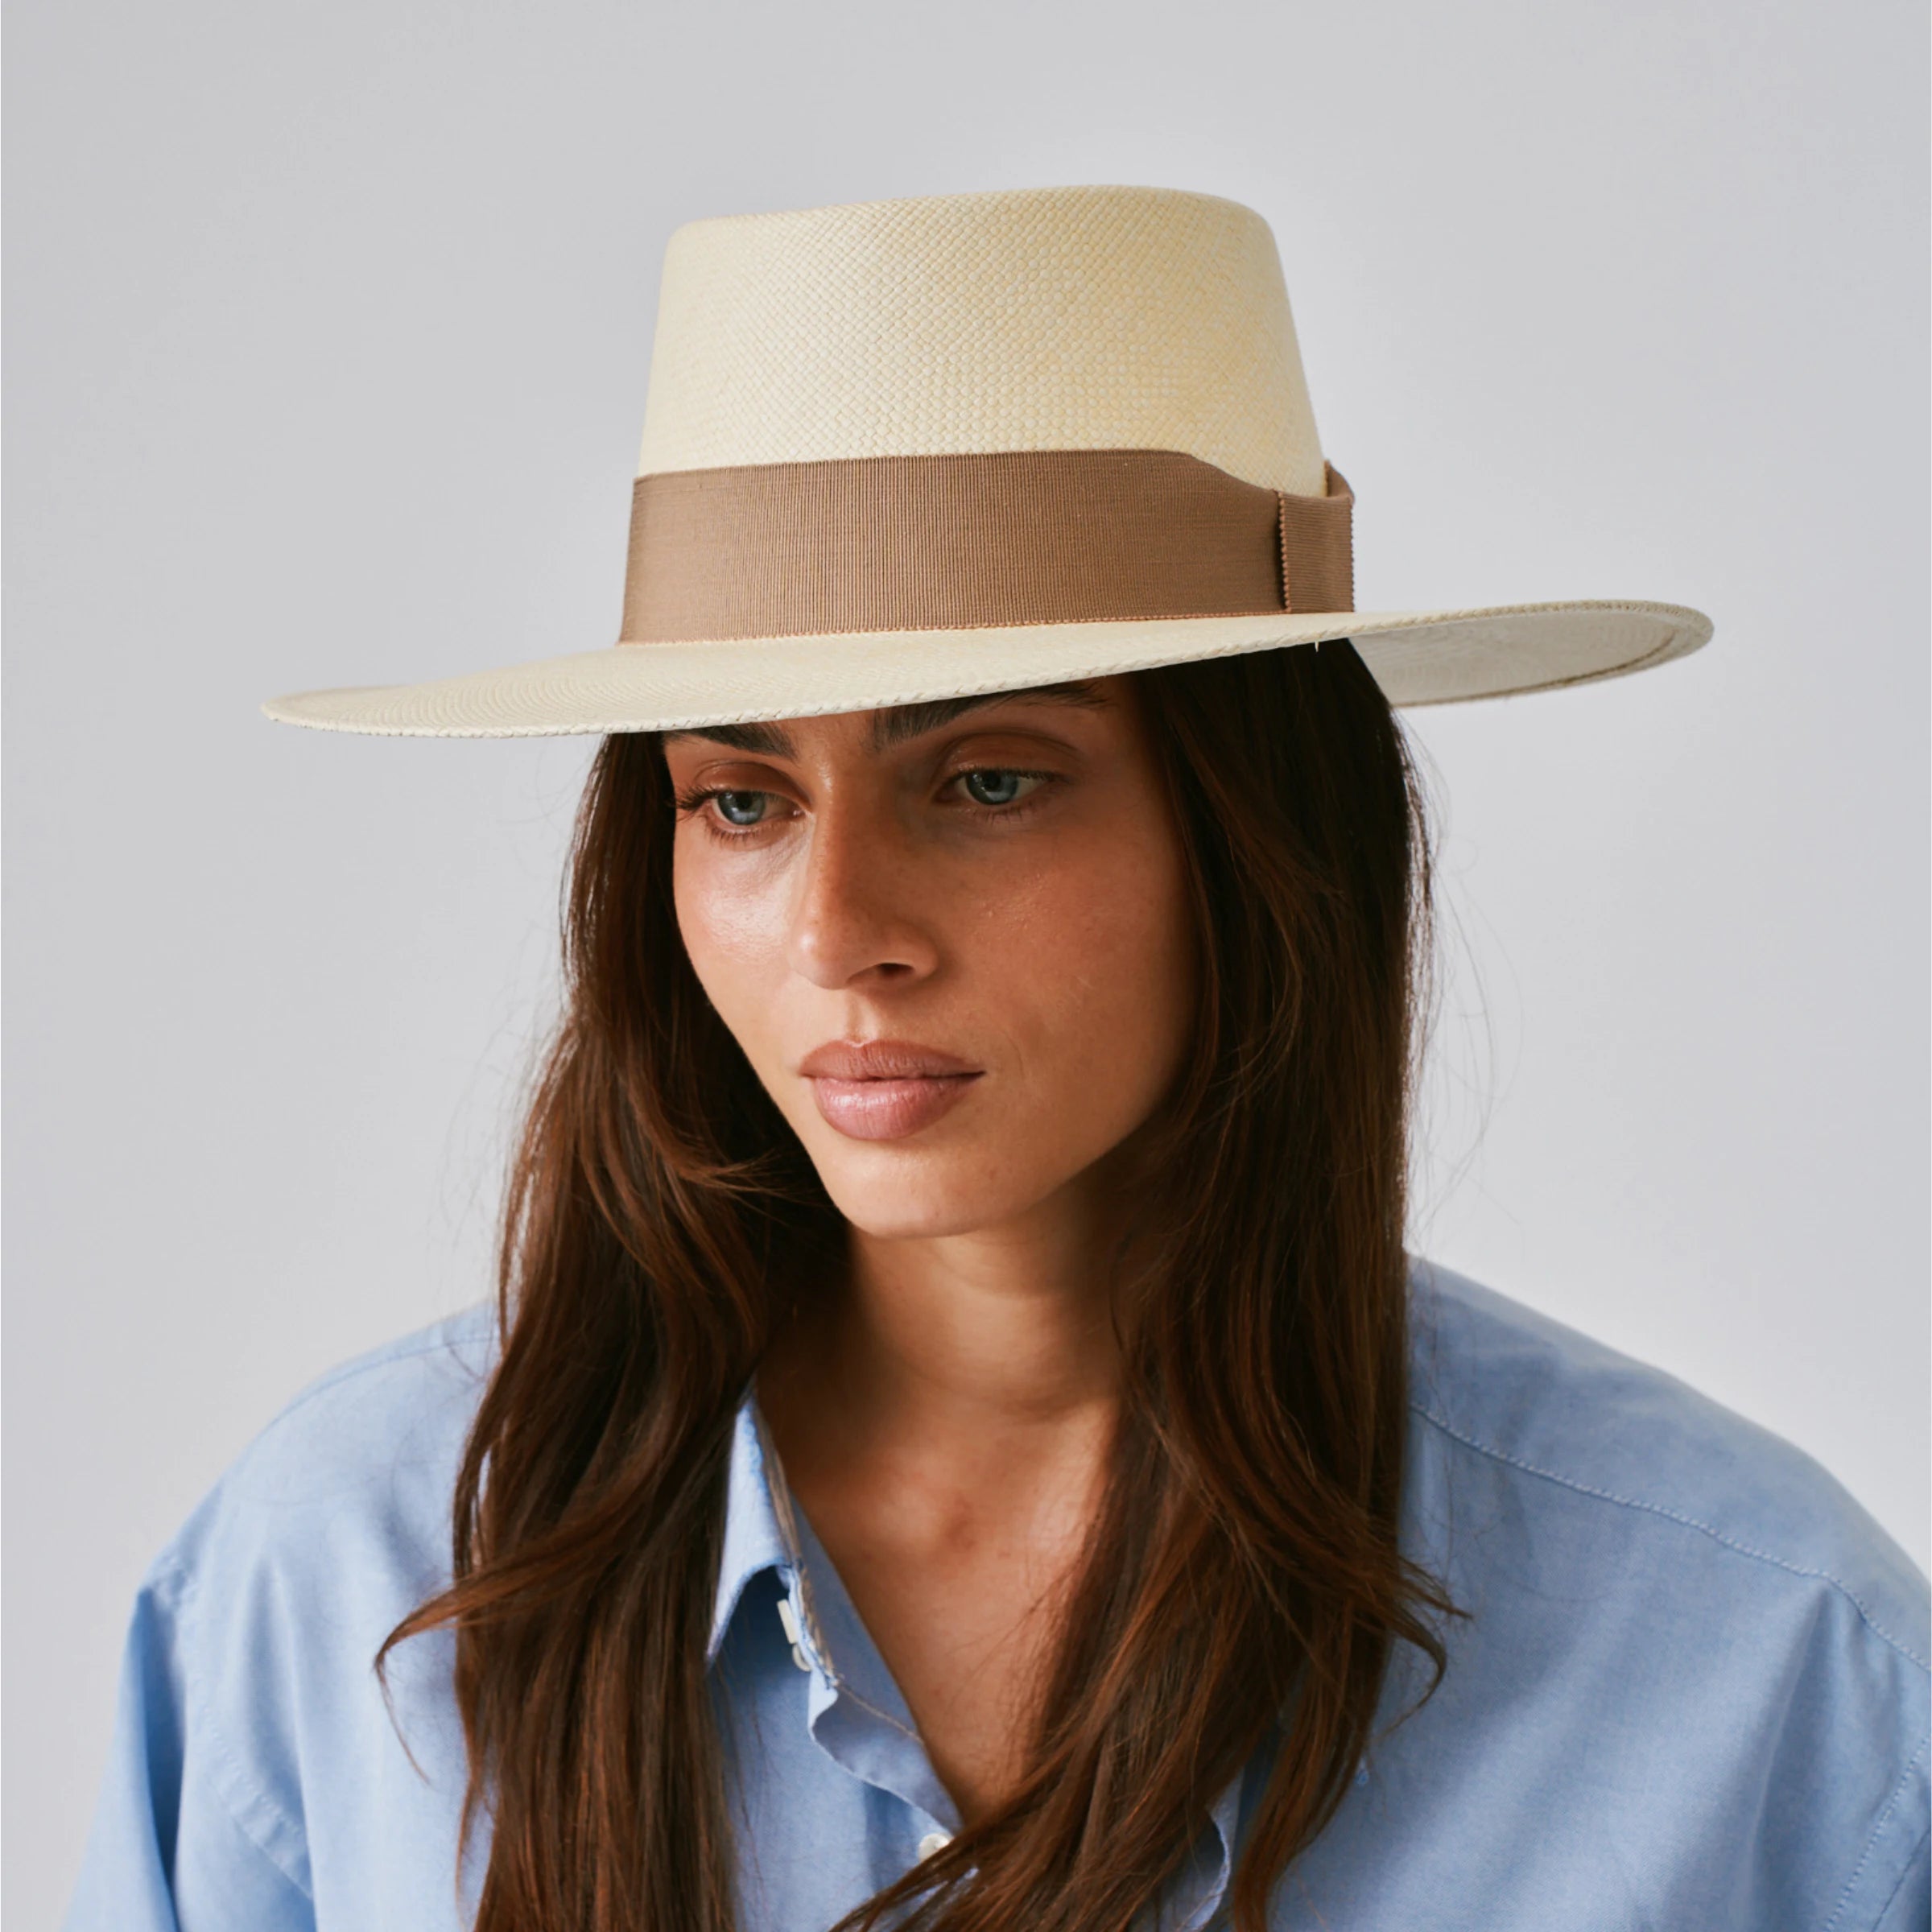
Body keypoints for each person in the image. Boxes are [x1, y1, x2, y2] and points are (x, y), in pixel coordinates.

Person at [66, 185, 1927, 1932]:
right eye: (738, 798)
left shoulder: (1756, 1654)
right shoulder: (350, 1574)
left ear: (1260, 830)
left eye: (988, 779)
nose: (837, 930)